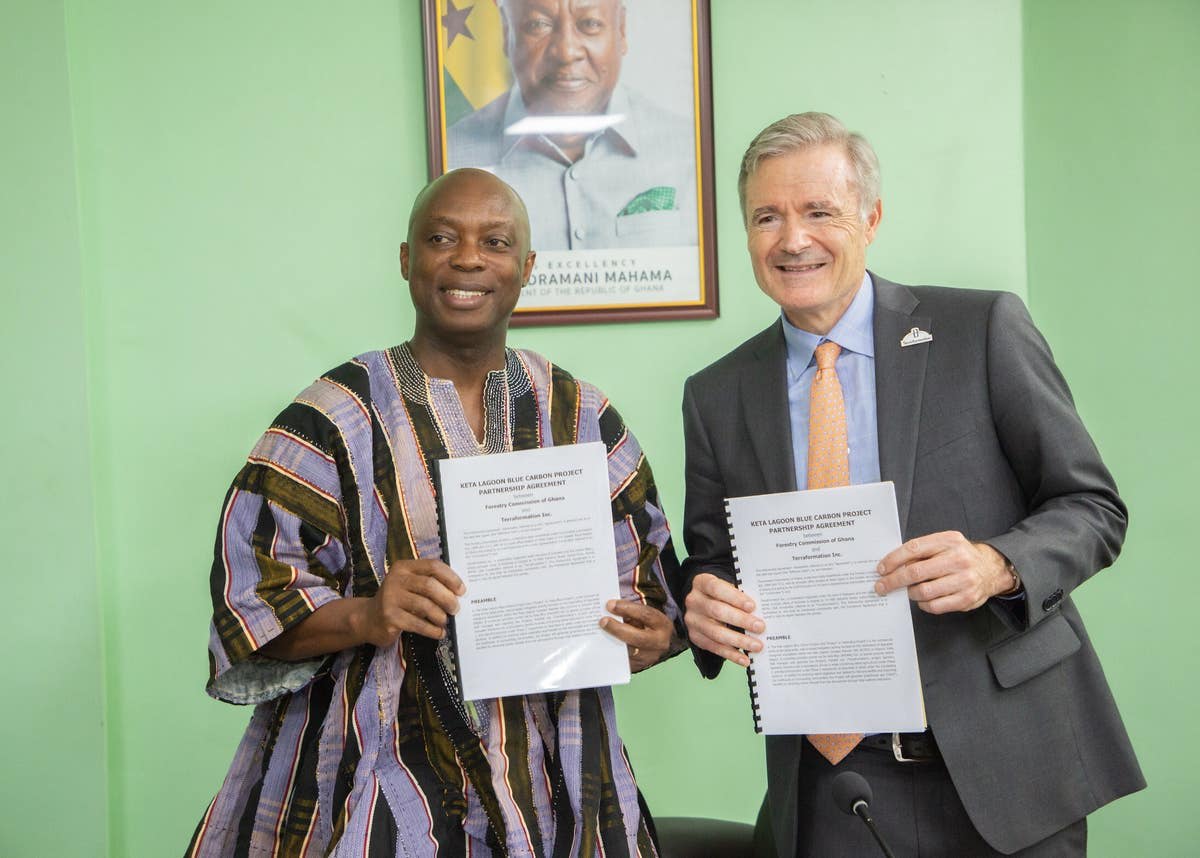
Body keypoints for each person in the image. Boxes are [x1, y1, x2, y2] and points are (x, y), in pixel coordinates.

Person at [676, 113, 1144, 857]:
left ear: (872, 218)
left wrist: (999, 564)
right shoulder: (716, 394)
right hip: (836, 785)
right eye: (768, 217)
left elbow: (1092, 507)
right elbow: (711, 560)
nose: (793, 239)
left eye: (819, 211)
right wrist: (702, 606)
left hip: (1010, 767)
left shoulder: (981, 328)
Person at [186, 168, 680, 857]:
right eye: (442, 237)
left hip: (562, 785)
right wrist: (367, 614)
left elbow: (653, 595)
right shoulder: (332, 418)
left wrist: (653, 636)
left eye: (496, 242)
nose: (469, 258)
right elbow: (249, 607)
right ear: (406, 260)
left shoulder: (582, 416)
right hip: (367, 779)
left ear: (527, 267)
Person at [447, 0, 697, 251]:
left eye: (589, 24)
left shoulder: (688, 149)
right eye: (538, 25)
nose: (566, 52)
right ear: (506, 31)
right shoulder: (454, 156)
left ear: (621, 29)